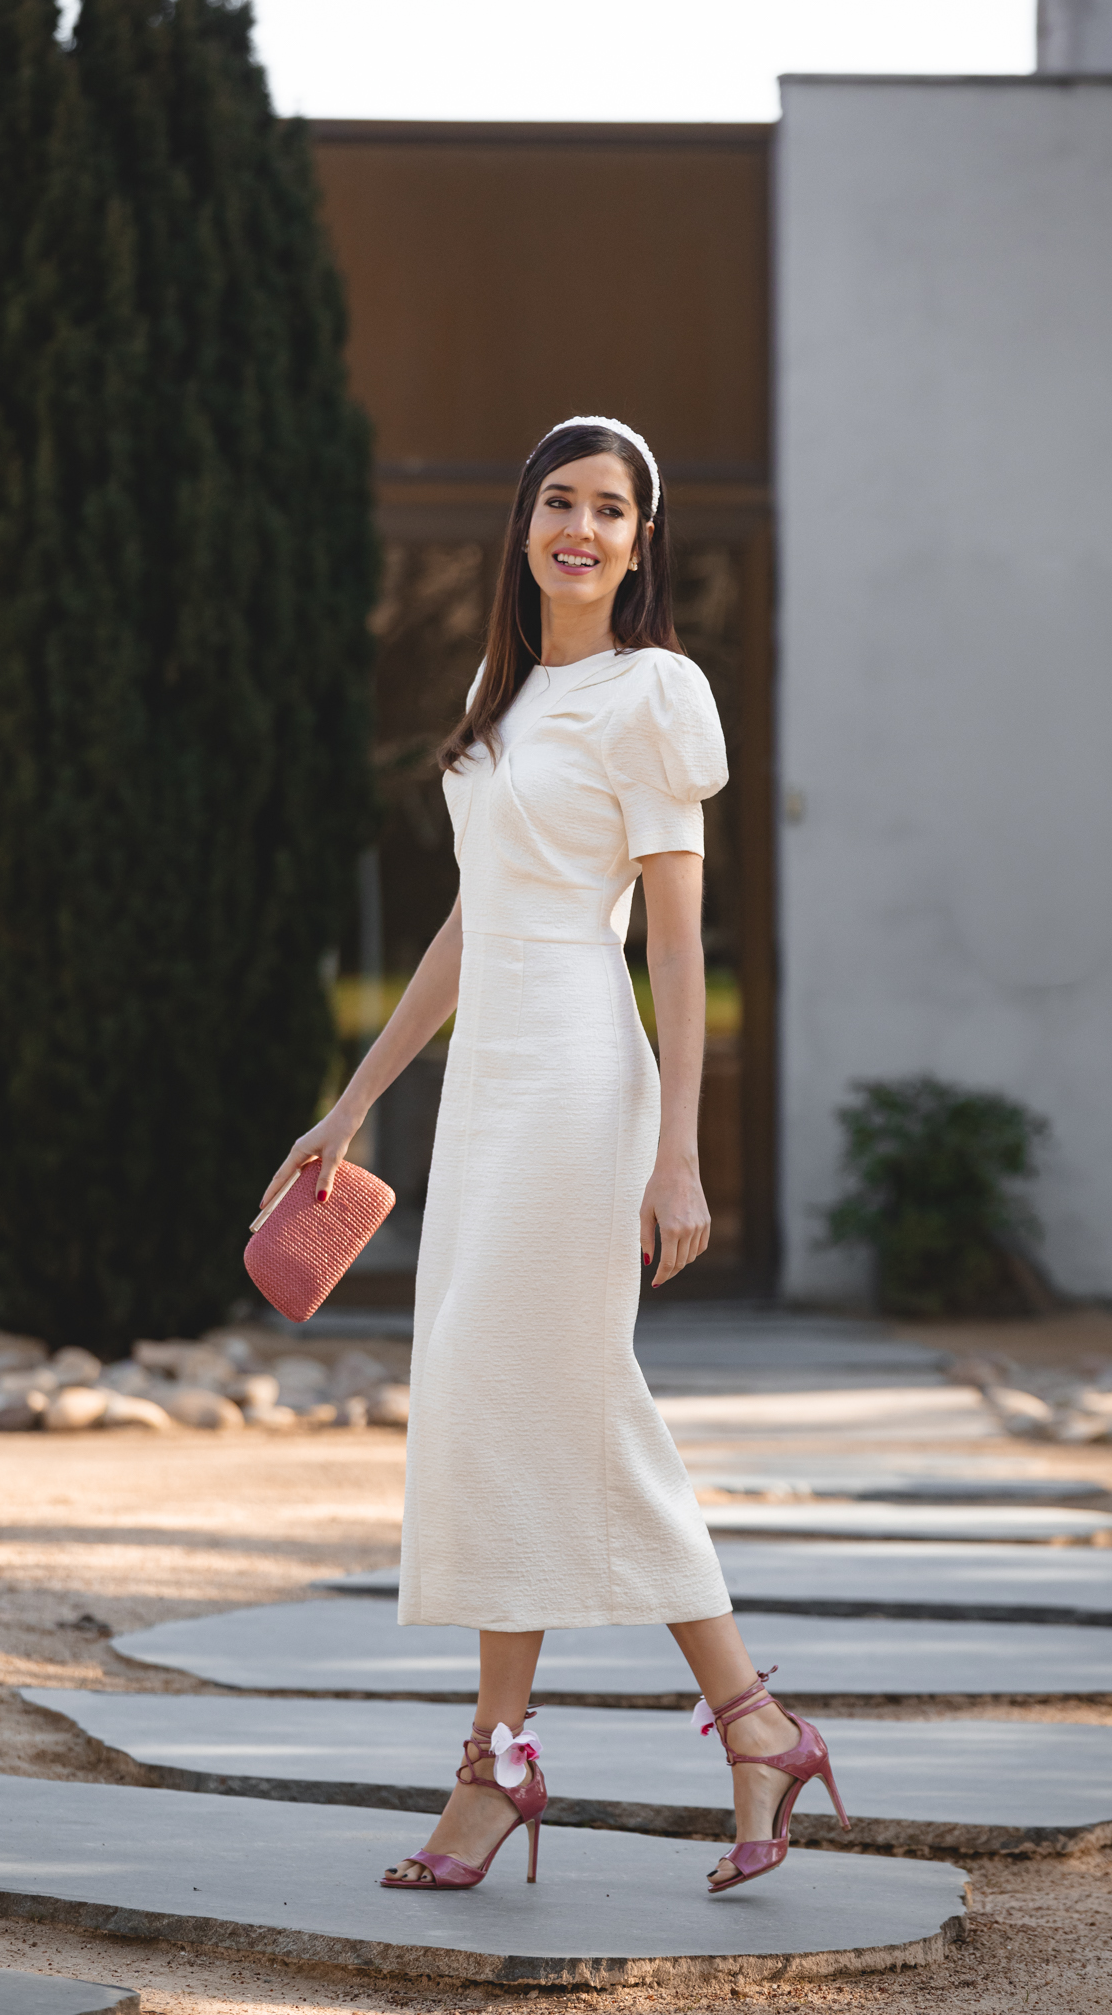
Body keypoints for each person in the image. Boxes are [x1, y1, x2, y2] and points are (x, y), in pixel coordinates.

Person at [260, 416, 847, 1894]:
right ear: (522, 521)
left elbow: (673, 939)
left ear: (641, 543)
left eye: (611, 508)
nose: (579, 527)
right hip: (488, 1091)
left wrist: (681, 1159)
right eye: (558, 501)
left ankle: (527, 1761)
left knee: (544, 1393)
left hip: (586, 1083)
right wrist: (352, 1103)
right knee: (506, 1397)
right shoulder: (499, 689)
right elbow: (470, 924)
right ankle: (732, 1730)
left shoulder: (656, 693)